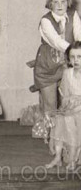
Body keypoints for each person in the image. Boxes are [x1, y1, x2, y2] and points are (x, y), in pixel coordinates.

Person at [34, 0, 81, 116]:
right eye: (55, 2)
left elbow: (79, 36)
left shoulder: (73, 15)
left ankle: (67, 135)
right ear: (50, 3)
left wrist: (78, 49)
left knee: (70, 104)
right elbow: (57, 42)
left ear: (68, 2)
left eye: (63, 1)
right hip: (48, 67)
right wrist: (76, 50)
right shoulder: (45, 20)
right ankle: (48, 135)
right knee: (50, 107)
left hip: (68, 64)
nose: (60, 5)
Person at [45, 42, 81, 170]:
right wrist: (66, 107)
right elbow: (64, 96)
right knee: (59, 118)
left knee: (72, 119)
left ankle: (73, 159)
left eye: (79, 57)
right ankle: (57, 157)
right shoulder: (67, 73)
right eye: (72, 57)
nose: (76, 60)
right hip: (72, 107)